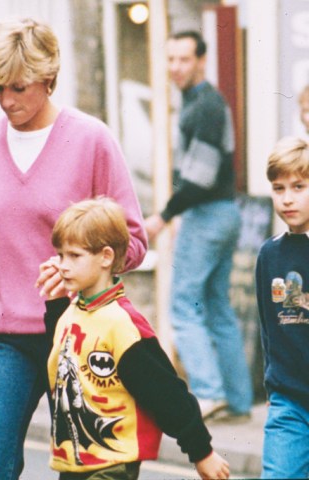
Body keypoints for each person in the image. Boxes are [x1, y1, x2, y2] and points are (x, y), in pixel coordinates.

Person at [0, 18, 147, 480]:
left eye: (19, 88)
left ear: (49, 79)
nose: (7, 101)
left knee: (92, 474)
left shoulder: (91, 140)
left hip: (84, 336)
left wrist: (77, 270)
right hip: (5, 342)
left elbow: (133, 241)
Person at [44, 196, 230, 480]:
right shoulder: (70, 314)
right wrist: (56, 305)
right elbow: (60, 376)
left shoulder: (122, 325)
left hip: (112, 463)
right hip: (74, 463)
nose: (63, 265)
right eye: (60, 255)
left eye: (74, 255)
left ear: (106, 257)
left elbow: (166, 392)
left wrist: (201, 452)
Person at [144, 30, 253, 421]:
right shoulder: (199, 102)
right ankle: (238, 402)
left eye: (184, 59)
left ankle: (208, 393)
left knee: (183, 306)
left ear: (202, 61)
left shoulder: (204, 105)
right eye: (170, 59)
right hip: (223, 212)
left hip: (208, 213)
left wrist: (163, 216)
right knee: (216, 307)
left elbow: (200, 176)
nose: (175, 68)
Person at [256, 136, 309, 479]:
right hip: (289, 405)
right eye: (278, 188)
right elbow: (268, 331)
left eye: (299, 186)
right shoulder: (270, 255)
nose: (287, 198)